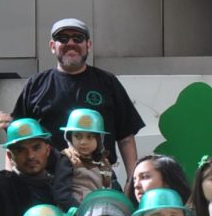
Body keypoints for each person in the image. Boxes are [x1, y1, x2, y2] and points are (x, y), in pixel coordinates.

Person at [13, 17, 144, 170]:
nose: (71, 43)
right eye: (63, 38)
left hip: (99, 179)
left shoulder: (107, 82)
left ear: (88, 44)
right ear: (52, 46)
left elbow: (126, 138)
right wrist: (12, 181)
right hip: (49, 182)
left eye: (78, 38)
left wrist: (132, 179)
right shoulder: (35, 84)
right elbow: (16, 139)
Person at [51, 108, 118, 207]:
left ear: (99, 139)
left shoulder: (104, 162)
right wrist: (80, 211)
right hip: (77, 214)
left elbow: (115, 189)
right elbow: (61, 194)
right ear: (70, 137)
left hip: (102, 213)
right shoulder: (67, 159)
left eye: (90, 137)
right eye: (78, 136)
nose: (83, 142)